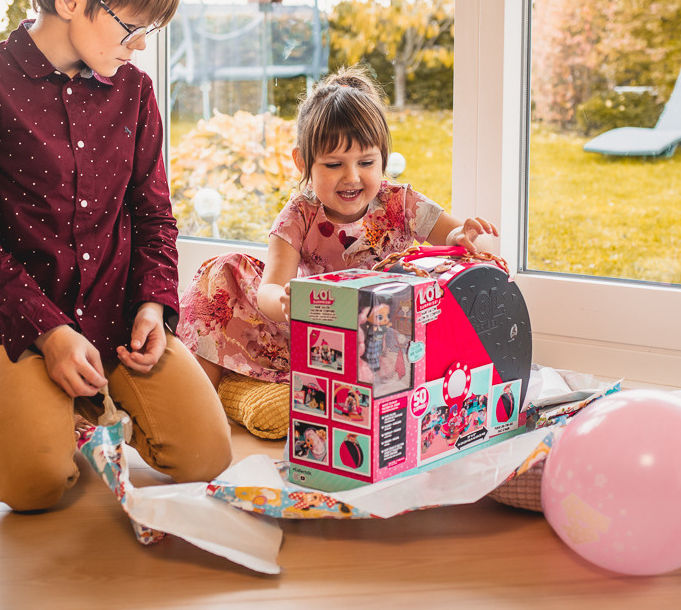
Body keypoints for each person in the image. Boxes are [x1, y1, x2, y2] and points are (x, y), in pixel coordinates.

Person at [0, 0, 231, 512]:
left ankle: (92, 400)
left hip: (119, 311)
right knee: (33, 488)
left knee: (207, 456)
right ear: (73, 0)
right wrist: (49, 333)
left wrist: (153, 302)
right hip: (25, 322)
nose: (141, 46)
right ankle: (57, 405)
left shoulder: (135, 92)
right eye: (132, 29)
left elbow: (153, 216)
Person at [177, 65, 498, 439]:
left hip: (384, 336)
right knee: (223, 269)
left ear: (383, 159)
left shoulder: (400, 202)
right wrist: (283, 300)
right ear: (303, 163)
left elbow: (457, 237)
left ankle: (251, 387)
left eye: (366, 163)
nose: (352, 177)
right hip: (314, 328)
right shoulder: (299, 214)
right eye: (333, 165)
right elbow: (269, 287)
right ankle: (199, 404)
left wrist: (467, 234)